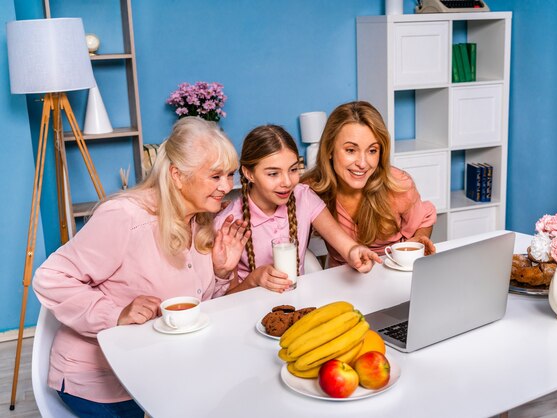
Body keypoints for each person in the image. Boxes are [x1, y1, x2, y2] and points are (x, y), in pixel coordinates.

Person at [33, 118, 250, 417]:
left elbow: (191, 308)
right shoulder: (125, 216)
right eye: (215, 176)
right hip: (99, 383)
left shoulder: (199, 219)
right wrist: (116, 314)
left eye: (230, 174)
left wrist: (221, 273)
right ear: (177, 175)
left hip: (153, 372)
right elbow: (51, 278)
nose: (227, 186)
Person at [214, 124, 381, 293]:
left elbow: (345, 245)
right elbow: (226, 300)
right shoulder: (228, 223)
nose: (287, 182)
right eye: (273, 173)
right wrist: (254, 279)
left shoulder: (304, 197)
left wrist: (355, 252)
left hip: (297, 303)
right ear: (249, 174)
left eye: (293, 169)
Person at [301, 101, 437, 267]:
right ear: (329, 149)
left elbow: (425, 219)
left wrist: (419, 240)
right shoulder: (310, 190)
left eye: (372, 150)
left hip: (392, 270)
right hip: (341, 278)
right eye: (351, 150)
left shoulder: (397, 184)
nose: (363, 163)